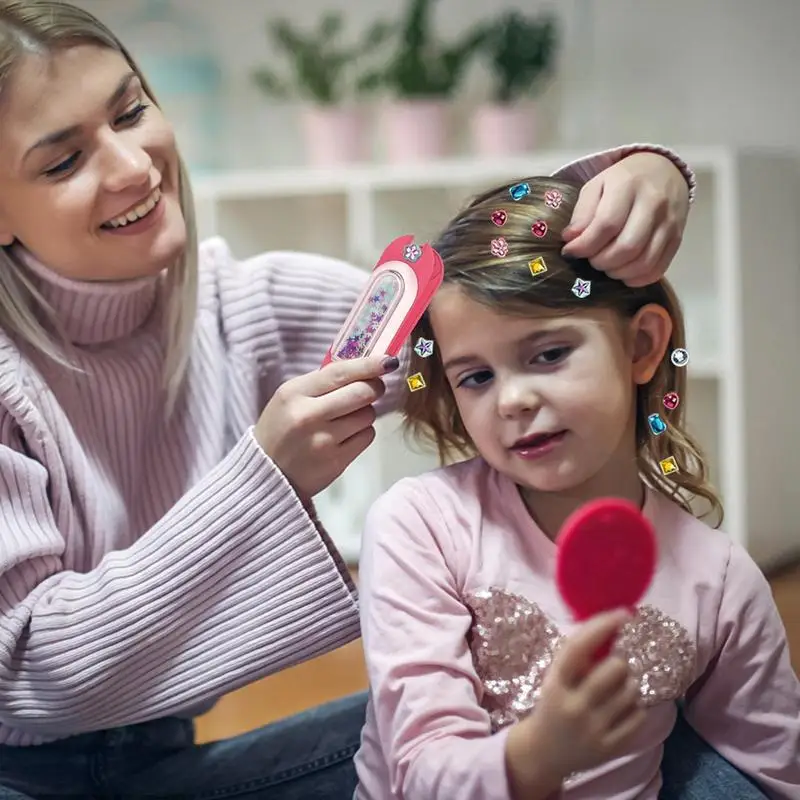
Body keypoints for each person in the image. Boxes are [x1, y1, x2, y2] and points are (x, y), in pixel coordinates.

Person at [0, 1, 760, 798]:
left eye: (131, 111)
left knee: (623, 725)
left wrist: (636, 176)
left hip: (169, 758)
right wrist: (265, 477)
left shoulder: (239, 307)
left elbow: (466, 304)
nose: (130, 167)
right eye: (62, 162)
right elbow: (30, 671)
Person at [353, 175, 800, 799]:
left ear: (642, 345)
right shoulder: (419, 525)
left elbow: (770, 774)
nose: (513, 399)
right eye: (476, 376)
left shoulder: (720, 580)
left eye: (548, 354)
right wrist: (537, 754)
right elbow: (419, 771)